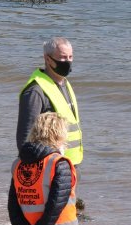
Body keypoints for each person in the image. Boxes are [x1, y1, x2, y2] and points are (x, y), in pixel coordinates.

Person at [17, 37, 83, 165]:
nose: (68, 61)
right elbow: (24, 138)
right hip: (49, 168)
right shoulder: (35, 91)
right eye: (63, 57)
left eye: (70, 57)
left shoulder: (65, 83)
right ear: (47, 59)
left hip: (70, 164)